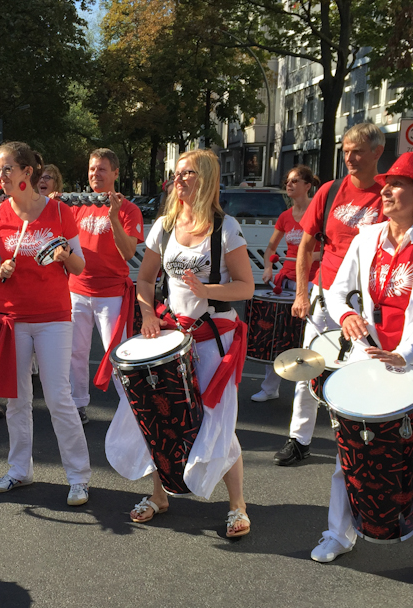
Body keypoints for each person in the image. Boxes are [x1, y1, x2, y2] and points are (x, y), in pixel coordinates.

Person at [309, 151, 413, 589]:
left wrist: (407, 352)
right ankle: (338, 534)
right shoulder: (367, 235)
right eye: (387, 183)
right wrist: (346, 318)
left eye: (398, 184)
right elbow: (336, 291)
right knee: (348, 456)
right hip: (367, 360)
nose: (386, 190)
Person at [106, 149, 254, 538]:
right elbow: (144, 279)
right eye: (177, 173)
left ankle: (237, 505)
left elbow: (246, 286)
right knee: (161, 417)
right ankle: (160, 495)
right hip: (172, 338)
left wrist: (208, 289)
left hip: (213, 340)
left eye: (188, 173)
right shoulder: (165, 225)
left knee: (218, 423)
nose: (179, 180)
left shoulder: (226, 228)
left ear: (205, 178)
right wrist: (148, 313)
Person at [0, 140, 91, 506]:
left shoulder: (60, 213)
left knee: (58, 397)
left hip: (52, 317)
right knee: (15, 399)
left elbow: (80, 267)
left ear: (27, 173)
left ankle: (79, 477)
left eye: (7, 169)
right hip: (11, 318)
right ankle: (20, 470)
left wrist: (66, 256)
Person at [276, 121, 386, 466]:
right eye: (346, 151)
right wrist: (301, 293)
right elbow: (306, 245)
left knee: (367, 369)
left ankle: (362, 437)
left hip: (368, 298)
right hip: (326, 291)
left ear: (377, 153)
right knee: (308, 364)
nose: (350, 158)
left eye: (357, 151)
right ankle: (299, 438)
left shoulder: (388, 193)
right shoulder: (330, 191)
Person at [67, 148, 144, 424]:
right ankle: (78, 405)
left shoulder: (129, 209)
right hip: (77, 290)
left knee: (119, 355)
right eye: (91, 169)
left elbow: (127, 253)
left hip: (111, 294)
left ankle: (129, 409)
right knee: (76, 352)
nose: (95, 174)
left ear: (115, 173)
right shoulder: (77, 206)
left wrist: (114, 217)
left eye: (101, 169)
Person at [250, 164, 320, 402]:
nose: (289, 185)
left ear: (307, 186)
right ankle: (270, 388)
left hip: (312, 283)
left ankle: (312, 392)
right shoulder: (285, 216)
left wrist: (309, 256)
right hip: (286, 281)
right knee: (276, 335)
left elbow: (330, 249)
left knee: (309, 338)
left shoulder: (318, 213)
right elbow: (270, 247)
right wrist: (268, 267)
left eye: (294, 181)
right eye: (287, 182)